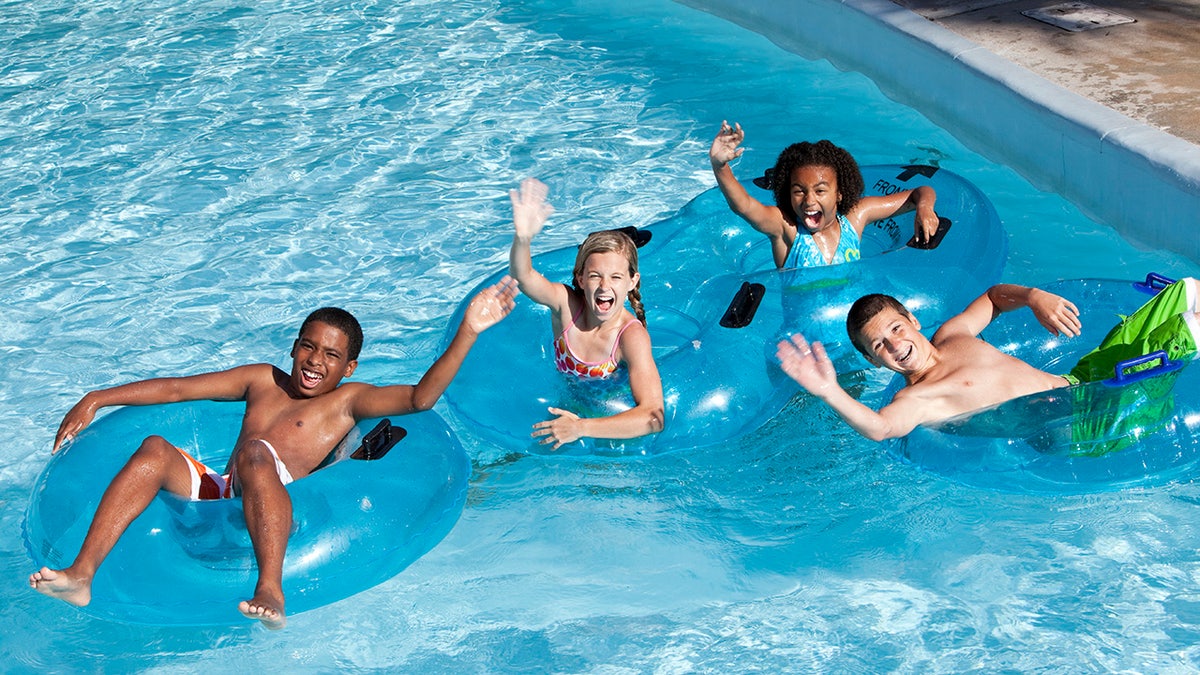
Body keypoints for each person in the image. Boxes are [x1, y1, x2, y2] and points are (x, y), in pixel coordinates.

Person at [29, 279, 519, 630]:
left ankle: (269, 587)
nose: (314, 361)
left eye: (330, 356)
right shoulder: (263, 380)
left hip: (279, 497)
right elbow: (178, 388)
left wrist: (469, 331)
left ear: (349, 367)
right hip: (226, 490)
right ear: (293, 346)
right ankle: (82, 574)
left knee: (256, 455)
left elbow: (418, 400)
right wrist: (97, 398)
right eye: (308, 347)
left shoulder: (348, 401)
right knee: (156, 449)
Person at [776, 278, 1200, 441]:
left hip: (1081, 378)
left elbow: (994, 297)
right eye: (879, 347)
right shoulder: (920, 399)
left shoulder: (952, 335)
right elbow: (882, 427)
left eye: (895, 329)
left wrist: (1035, 297)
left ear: (913, 319)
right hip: (1088, 419)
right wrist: (829, 390)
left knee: (1186, 291)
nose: (894, 345)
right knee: (1191, 329)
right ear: (873, 362)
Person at [508, 177, 665, 449]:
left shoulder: (631, 337)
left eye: (616, 277)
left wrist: (581, 428)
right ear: (580, 279)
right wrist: (523, 238)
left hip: (613, 427)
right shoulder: (565, 305)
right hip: (566, 413)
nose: (605, 286)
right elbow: (523, 277)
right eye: (595, 276)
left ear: (632, 282)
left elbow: (653, 417)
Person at [708, 121, 941, 269]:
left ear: (839, 194)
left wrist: (924, 208)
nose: (809, 201)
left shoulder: (855, 218)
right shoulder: (786, 229)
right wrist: (720, 166)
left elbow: (921, 192)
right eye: (799, 191)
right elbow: (744, 206)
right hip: (802, 344)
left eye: (820, 191)